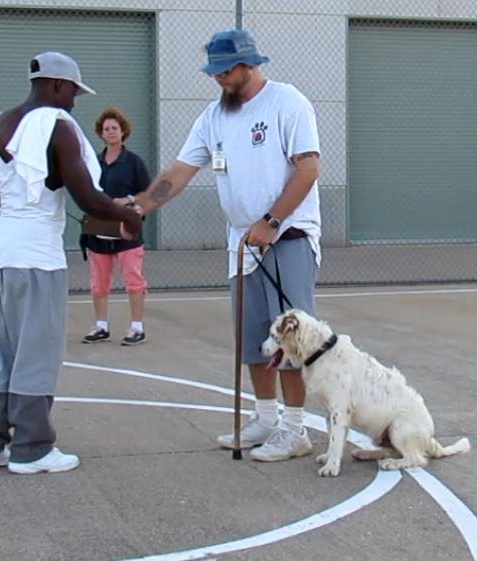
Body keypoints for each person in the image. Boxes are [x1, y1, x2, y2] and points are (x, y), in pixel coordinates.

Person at [135, 29, 322, 462]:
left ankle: (295, 430)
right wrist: (141, 207)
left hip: (287, 236)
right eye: (214, 71)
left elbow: (308, 169)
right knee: (254, 336)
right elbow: (181, 171)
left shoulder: (287, 103)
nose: (217, 79)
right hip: (242, 241)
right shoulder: (213, 117)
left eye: (224, 71)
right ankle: (265, 417)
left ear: (248, 65)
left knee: (291, 336)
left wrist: (273, 220)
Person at [0, 51, 142, 474]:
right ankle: (33, 448)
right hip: (38, 255)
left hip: (0, 253)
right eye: (73, 90)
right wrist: (127, 215)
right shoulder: (58, 126)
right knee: (37, 352)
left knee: (1, 349)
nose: (75, 100)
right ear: (57, 85)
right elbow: (86, 196)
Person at [82, 107, 150, 346]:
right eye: (106, 129)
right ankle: (101, 325)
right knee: (99, 280)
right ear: (101, 134)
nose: (110, 132)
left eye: (114, 128)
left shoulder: (134, 162)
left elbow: (148, 194)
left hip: (126, 229)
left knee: (133, 277)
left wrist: (129, 201)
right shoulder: (94, 162)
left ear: (123, 132)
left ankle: (137, 327)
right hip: (100, 229)